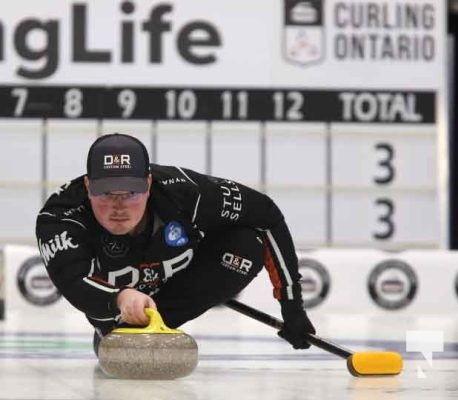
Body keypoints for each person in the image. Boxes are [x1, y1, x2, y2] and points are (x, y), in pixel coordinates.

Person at [35, 133, 315, 355]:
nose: (118, 206)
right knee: (107, 302)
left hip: (178, 280)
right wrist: (120, 298)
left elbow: (266, 215)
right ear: (87, 186)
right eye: (106, 193)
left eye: (131, 192)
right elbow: (73, 280)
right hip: (112, 304)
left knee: (246, 244)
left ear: (148, 182)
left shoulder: (186, 192)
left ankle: (156, 324)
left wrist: (292, 306)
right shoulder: (59, 217)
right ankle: (117, 330)